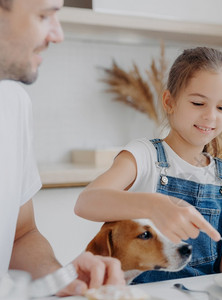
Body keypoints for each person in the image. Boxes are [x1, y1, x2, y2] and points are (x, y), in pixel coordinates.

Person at [75, 47, 222, 283]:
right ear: (169, 102)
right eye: (198, 103)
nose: (211, 116)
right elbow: (86, 202)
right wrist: (155, 205)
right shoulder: (144, 155)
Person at [0, 0, 127, 296]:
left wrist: (59, 280)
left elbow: (21, 235)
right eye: (45, 15)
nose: (58, 34)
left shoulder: (13, 104)